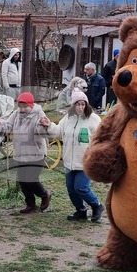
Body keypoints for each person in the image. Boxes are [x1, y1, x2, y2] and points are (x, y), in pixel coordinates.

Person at [46, 88, 104, 222]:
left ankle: (97, 205)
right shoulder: (67, 118)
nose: (80, 107)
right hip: (69, 161)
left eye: (83, 104)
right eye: (78, 104)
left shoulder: (93, 119)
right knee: (71, 189)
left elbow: (101, 137)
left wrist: (97, 154)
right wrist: (48, 125)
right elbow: (57, 133)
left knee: (81, 187)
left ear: (86, 105)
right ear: (73, 105)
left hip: (85, 161)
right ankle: (80, 211)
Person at [0, 91, 52, 214]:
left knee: (31, 179)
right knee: (22, 180)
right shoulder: (16, 114)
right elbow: (7, 125)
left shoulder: (39, 114)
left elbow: (43, 132)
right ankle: (30, 204)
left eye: (25, 106)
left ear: (31, 105)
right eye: (20, 106)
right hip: (20, 153)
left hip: (35, 153)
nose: (22, 109)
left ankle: (45, 195)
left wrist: (43, 126)